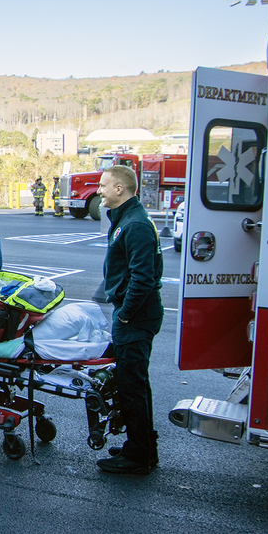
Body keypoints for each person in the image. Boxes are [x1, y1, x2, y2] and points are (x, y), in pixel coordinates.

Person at [95, 165, 163, 475]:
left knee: (132, 386)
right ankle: (144, 446)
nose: (99, 191)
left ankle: (138, 457)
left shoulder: (134, 224)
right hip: (134, 314)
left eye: (104, 186)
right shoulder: (129, 219)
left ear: (119, 189)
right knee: (136, 384)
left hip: (135, 317)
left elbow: (143, 278)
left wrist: (124, 315)